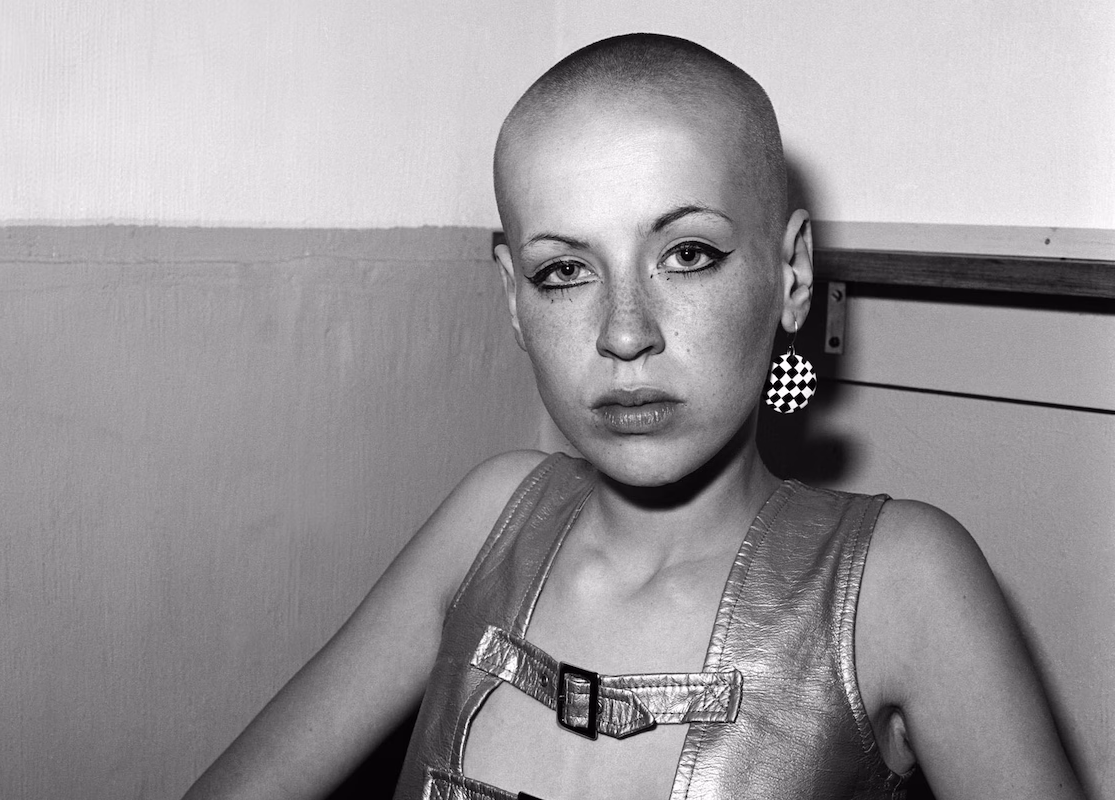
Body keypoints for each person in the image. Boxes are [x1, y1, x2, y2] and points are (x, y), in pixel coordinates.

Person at [183, 33, 1085, 800]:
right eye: (564, 271)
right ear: (513, 298)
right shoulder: (488, 516)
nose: (624, 333)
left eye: (687, 254)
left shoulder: (904, 582)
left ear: (792, 275)